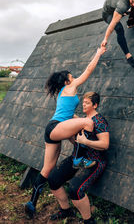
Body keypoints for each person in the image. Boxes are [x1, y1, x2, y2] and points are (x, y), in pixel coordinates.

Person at [25, 47, 106, 219]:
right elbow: (88, 71)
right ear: (67, 81)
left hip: (53, 129)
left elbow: (68, 115)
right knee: (87, 122)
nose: (74, 77)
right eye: (71, 76)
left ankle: (32, 203)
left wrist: (75, 122)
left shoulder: (63, 92)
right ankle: (78, 159)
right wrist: (98, 53)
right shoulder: (72, 86)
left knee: (47, 169)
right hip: (56, 127)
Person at [48, 92, 109, 224]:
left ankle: (88, 220)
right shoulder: (83, 121)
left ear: (95, 105)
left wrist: (86, 141)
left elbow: (105, 144)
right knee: (53, 179)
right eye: (83, 102)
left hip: (94, 161)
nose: (84, 105)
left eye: (87, 103)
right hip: (77, 158)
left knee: (75, 189)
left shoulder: (99, 121)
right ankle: (65, 210)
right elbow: (78, 143)